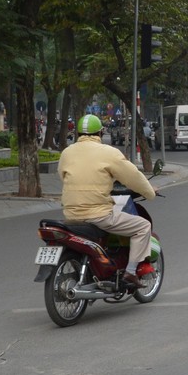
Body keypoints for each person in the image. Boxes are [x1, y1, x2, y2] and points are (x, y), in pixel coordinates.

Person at [58, 113, 156, 290]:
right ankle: (130, 272)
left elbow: (63, 176)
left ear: (78, 133)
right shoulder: (109, 153)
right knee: (142, 226)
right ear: (101, 133)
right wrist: (150, 192)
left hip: (70, 215)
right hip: (98, 215)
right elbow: (133, 176)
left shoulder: (67, 153)